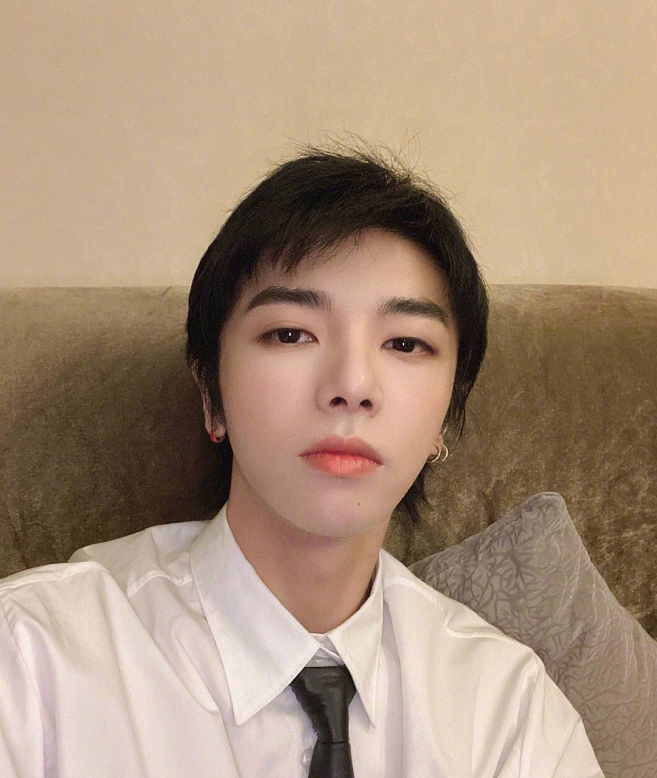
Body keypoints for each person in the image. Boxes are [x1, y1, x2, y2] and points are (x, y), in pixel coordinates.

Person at [0, 145, 604, 777]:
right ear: (211, 396)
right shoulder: (34, 663)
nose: (352, 385)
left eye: (405, 342)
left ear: (447, 420)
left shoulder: (508, 713)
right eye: (290, 333)